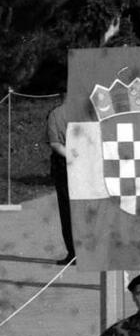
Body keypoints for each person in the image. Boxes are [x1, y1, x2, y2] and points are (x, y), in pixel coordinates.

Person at [46, 103, 74, 264]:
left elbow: (55, 143)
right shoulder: (89, 111)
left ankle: (73, 251)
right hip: (88, 161)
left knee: (67, 208)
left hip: (64, 163)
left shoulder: (55, 114)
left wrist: (71, 157)